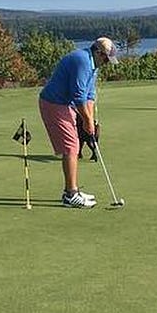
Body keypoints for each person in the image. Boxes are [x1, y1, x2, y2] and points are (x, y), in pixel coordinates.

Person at [39, 36, 116, 207]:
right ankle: (70, 195)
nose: (107, 62)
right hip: (54, 103)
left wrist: (89, 120)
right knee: (71, 146)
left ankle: (73, 190)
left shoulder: (94, 65)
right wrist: (86, 120)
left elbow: (89, 95)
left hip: (65, 104)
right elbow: (78, 95)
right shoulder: (82, 61)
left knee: (73, 145)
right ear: (98, 52)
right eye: (106, 58)